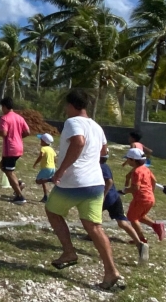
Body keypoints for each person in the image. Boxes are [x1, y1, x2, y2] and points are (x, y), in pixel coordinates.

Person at [46, 89, 120, 290]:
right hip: (96, 182)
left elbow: (79, 142)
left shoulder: (72, 122)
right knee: (94, 226)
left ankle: (69, 251)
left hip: (75, 181)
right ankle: (111, 271)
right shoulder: (97, 126)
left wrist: (60, 170)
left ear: (70, 105)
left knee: (52, 211)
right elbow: (104, 151)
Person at [82, 151, 150, 264]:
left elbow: (109, 181)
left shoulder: (100, 167)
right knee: (122, 222)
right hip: (115, 197)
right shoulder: (105, 166)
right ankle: (139, 244)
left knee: (91, 217)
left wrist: (103, 196)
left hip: (105, 197)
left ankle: (93, 235)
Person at [119, 148, 166, 243]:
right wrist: (150, 191)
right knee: (139, 216)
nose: (127, 161)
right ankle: (156, 226)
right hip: (150, 198)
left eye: (128, 159)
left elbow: (136, 188)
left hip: (141, 198)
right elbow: (154, 180)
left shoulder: (136, 172)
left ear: (133, 160)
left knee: (132, 218)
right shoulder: (146, 169)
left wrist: (125, 191)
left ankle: (141, 239)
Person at [0, 97, 30, 204]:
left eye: (2, 107)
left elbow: (4, 133)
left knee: (8, 171)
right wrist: (18, 137)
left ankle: (20, 196)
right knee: (2, 166)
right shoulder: (19, 118)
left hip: (10, 149)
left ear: (4, 106)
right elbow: (27, 132)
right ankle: (19, 183)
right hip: (19, 147)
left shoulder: (5, 118)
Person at [123, 131, 166, 197]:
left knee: (128, 176)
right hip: (142, 162)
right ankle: (163, 188)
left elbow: (131, 155)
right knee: (147, 179)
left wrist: (125, 162)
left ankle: (124, 191)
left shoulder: (133, 144)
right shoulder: (140, 144)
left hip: (137, 164)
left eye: (130, 137)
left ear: (133, 138)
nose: (128, 138)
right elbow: (150, 151)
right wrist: (146, 157)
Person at [33, 133, 56, 203]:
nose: (40, 141)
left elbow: (41, 156)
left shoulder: (43, 148)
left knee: (38, 181)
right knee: (43, 181)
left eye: (41, 140)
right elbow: (55, 159)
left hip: (46, 168)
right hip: (52, 168)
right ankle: (45, 197)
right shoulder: (52, 150)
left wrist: (35, 163)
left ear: (44, 141)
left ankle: (51, 180)